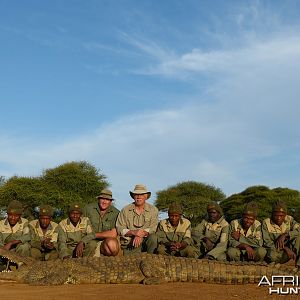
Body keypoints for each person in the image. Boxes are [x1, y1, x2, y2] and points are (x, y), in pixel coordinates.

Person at [116, 184, 158, 255]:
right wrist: (134, 232)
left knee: (153, 238)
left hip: (146, 240)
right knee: (130, 263)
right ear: (133, 196)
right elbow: (120, 228)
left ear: (146, 196)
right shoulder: (125, 210)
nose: (138, 197)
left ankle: (152, 258)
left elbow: (154, 228)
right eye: (136, 194)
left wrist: (141, 234)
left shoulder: (153, 210)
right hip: (130, 241)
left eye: (141, 194)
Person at [262, 201, 300, 269]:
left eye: (281, 216)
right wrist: (285, 248)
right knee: (271, 255)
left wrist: (285, 234)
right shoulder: (266, 222)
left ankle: (299, 266)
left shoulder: (290, 219)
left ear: (285, 215)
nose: (278, 218)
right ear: (272, 214)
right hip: (275, 252)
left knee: (298, 238)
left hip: (289, 253)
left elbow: (298, 230)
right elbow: (267, 243)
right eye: (276, 215)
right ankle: (273, 265)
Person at [83, 189, 120, 256]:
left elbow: (113, 234)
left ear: (110, 201)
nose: (104, 202)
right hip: (89, 239)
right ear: (98, 199)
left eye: (107, 199)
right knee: (91, 245)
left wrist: (94, 235)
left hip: (105, 241)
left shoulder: (116, 213)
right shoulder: (88, 208)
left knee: (112, 245)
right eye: (102, 199)